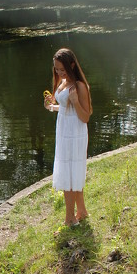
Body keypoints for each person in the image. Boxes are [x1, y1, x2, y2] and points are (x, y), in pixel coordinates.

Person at [44, 47, 92, 226]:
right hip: (64, 131)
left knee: (70, 173)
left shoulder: (79, 85)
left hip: (75, 133)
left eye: (62, 69)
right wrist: (51, 107)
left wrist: (75, 101)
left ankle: (70, 219)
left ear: (72, 65)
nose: (59, 72)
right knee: (70, 171)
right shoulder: (63, 82)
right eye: (56, 69)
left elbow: (85, 116)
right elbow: (64, 109)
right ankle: (82, 211)